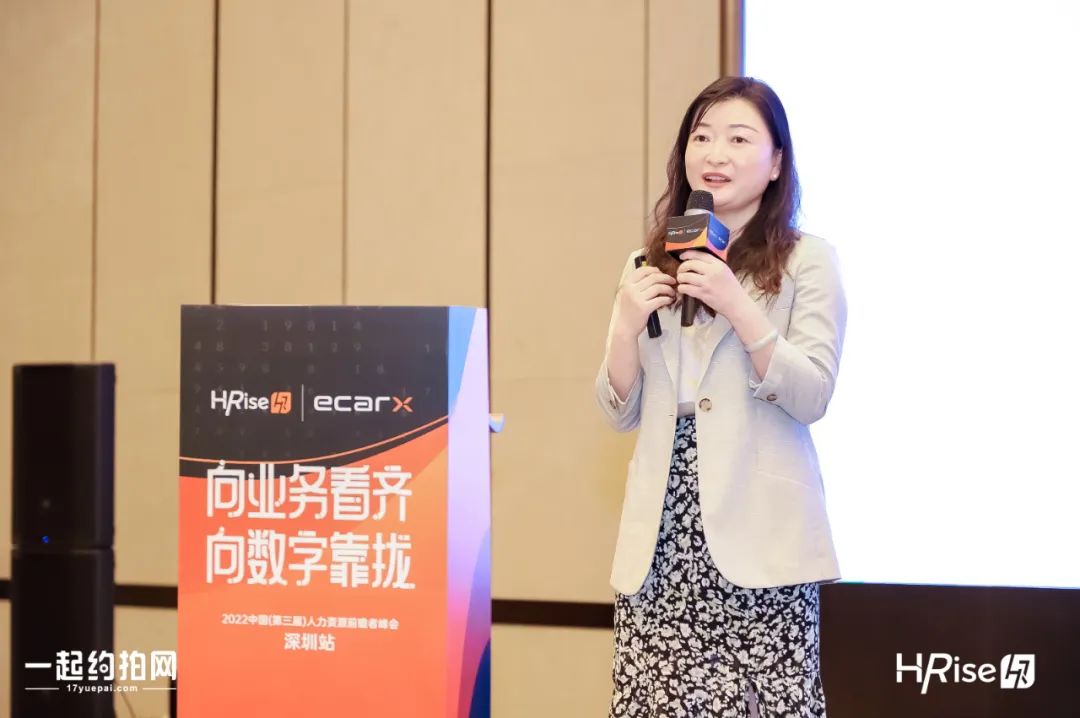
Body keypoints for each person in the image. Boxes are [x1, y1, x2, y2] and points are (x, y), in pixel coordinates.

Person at [596, 76, 846, 717]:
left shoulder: (807, 260)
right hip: (662, 539)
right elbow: (619, 410)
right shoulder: (647, 263)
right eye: (702, 137)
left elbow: (812, 394)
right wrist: (623, 328)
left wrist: (738, 305)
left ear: (776, 162)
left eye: (739, 139)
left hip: (760, 537)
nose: (715, 154)